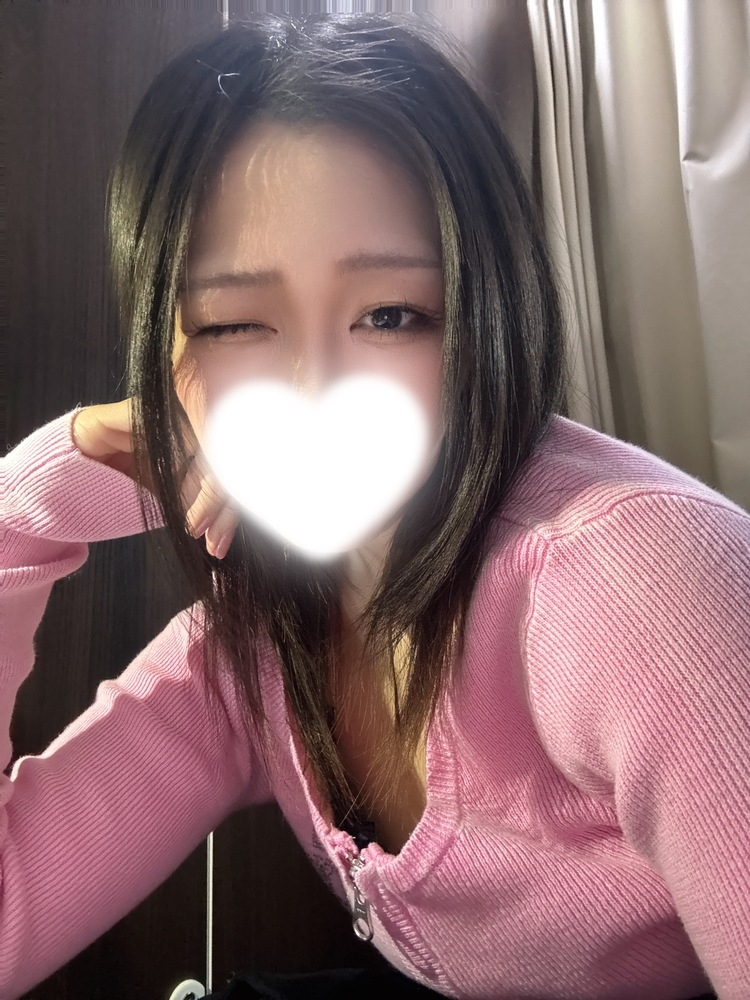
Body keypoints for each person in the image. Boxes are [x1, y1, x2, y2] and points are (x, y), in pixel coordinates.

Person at [2, 11, 747, 1000]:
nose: (315, 391)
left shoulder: (633, 581)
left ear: (486, 314)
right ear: (164, 351)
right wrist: (34, 496)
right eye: (235, 324)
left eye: (391, 315)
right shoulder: (247, 653)